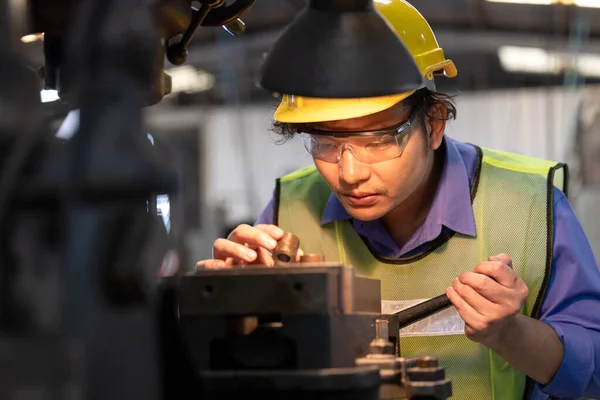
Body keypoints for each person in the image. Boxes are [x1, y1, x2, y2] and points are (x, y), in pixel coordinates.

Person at [196, 0, 600, 398]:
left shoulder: (529, 206)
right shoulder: (292, 209)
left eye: (378, 140)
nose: (350, 173)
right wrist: (231, 307)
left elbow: (593, 374)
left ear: (435, 123)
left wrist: (511, 333)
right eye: (326, 141)